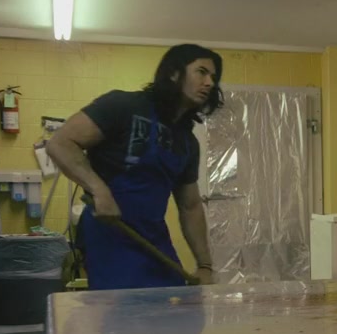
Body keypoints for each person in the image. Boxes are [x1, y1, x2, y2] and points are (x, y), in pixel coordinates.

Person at [48, 44, 220, 289]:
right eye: (201, 72)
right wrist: (99, 190)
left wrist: (205, 266)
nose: (210, 82)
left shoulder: (187, 142)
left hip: (153, 237)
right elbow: (60, 143)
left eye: (213, 77)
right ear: (174, 73)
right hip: (110, 233)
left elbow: (190, 206)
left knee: (179, 306)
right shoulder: (123, 106)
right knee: (128, 309)